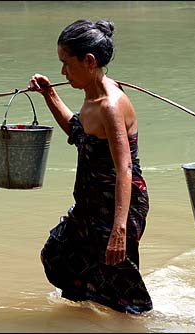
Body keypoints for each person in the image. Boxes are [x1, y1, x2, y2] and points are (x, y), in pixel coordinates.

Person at [28, 19, 153, 314]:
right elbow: (78, 133)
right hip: (90, 203)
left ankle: (141, 321)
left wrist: (118, 230)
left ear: (89, 61)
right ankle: (95, 316)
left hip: (117, 206)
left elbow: (124, 168)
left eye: (66, 63)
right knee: (58, 255)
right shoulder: (91, 95)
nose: (62, 72)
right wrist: (49, 94)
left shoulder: (110, 105)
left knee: (123, 285)